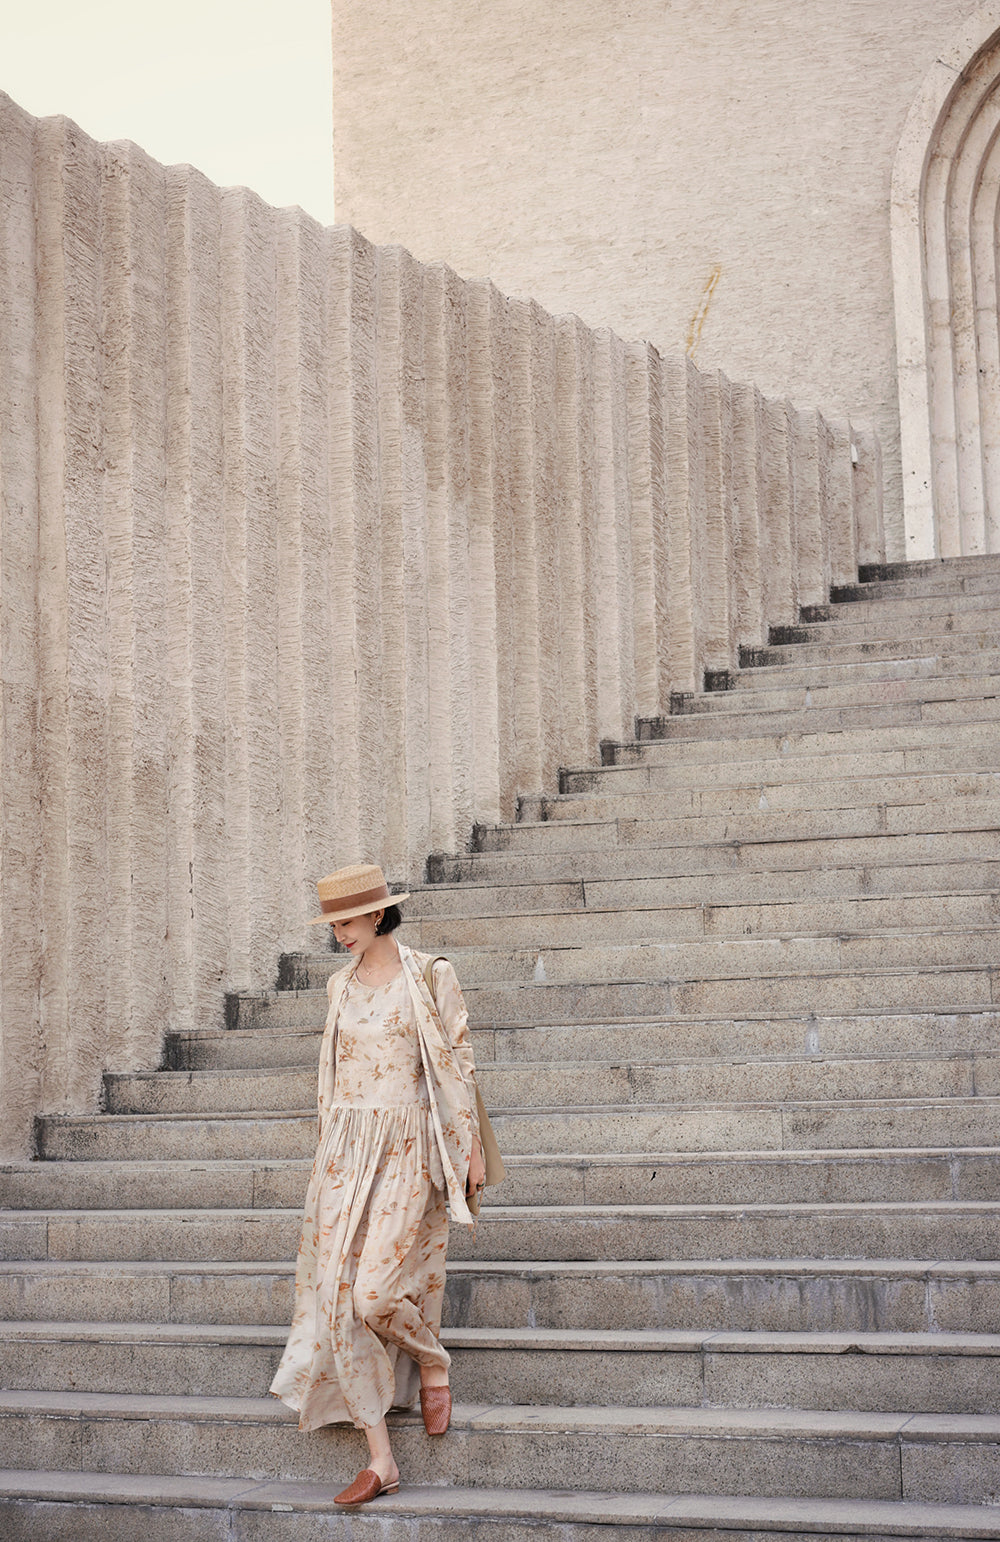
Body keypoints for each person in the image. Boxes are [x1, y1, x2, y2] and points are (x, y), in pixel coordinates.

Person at [269, 862, 486, 1507]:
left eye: (345, 920)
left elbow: (458, 1062)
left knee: (372, 1295)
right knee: (337, 1295)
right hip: (345, 1152)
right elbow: (332, 1077)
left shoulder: (430, 974)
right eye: (331, 922)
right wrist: (326, 1153)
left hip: (409, 1147)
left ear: (377, 914)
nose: (338, 933)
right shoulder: (339, 985)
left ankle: (432, 1358)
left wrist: (468, 1148)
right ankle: (381, 1460)